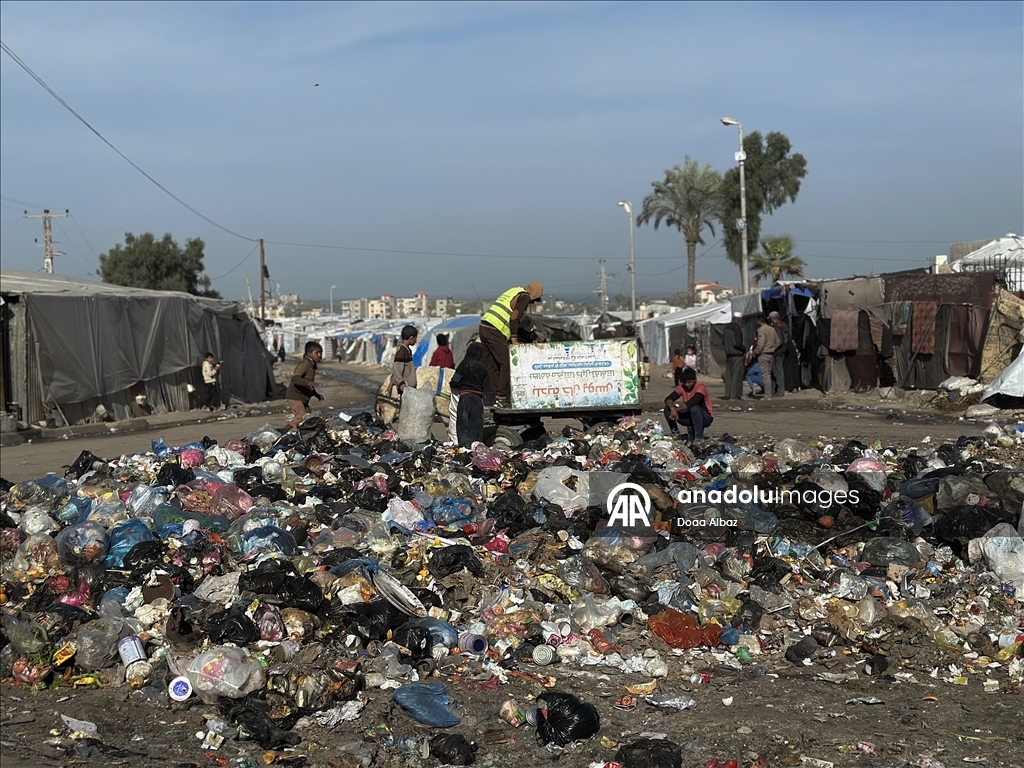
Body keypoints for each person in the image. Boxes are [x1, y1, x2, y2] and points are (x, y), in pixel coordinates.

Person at [479, 282, 543, 407]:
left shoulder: (514, 291)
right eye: (535, 300)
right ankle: (502, 398)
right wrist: (514, 338)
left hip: (484, 327)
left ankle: (497, 398)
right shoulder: (525, 297)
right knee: (506, 362)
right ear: (534, 294)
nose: (533, 303)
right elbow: (514, 317)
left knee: (493, 365)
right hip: (495, 330)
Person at [453, 341, 489, 447]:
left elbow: (455, 381)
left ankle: (464, 447)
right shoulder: (483, 367)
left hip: (464, 398)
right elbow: (487, 385)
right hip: (478, 399)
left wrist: (455, 385)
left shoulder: (463, 364)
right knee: (476, 425)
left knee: (463, 425)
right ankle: (476, 447)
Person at [663, 367, 715, 441]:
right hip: (690, 416)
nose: (687, 385)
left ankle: (699, 438)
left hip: (705, 417)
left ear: (695, 380)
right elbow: (668, 399)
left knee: (694, 408)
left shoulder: (700, 388)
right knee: (667, 409)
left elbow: (691, 403)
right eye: (685, 382)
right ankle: (676, 434)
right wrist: (672, 409)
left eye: (689, 382)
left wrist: (675, 410)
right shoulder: (682, 387)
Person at [285, 341, 324, 429]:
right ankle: (283, 431)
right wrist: (308, 383)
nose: (319, 355)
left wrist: (316, 394)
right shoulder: (304, 365)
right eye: (317, 352)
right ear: (309, 354)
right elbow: (295, 378)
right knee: (301, 417)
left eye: (320, 352)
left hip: (303, 397)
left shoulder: (312, 366)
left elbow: (308, 384)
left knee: (308, 418)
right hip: (295, 397)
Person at [754, 314, 781, 400]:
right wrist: (772, 348)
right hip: (771, 354)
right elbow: (778, 341)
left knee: (765, 375)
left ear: (759, 321)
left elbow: (761, 343)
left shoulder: (761, 330)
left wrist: (756, 352)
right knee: (768, 374)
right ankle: (769, 393)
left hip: (763, 354)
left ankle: (767, 395)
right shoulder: (772, 329)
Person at [722, 311, 746, 400]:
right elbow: (737, 343)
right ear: (738, 319)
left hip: (728, 354)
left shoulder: (726, 328)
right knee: (737, 375)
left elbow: (723, 341)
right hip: (737, 354)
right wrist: (744, 349)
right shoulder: (736, 328)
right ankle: (734, 395)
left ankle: (727, 394)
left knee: (729, 375)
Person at [392, 325, 419, 395]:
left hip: (410, 389)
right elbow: (397, 368)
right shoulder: (402, 351)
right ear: (411, 338)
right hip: (405, 389)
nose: (416, 340)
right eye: (415, 338)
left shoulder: (407, 350)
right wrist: (401, 384)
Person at [768, 311, 787, 397]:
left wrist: (772, 348)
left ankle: (780, 391)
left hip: (777, 352)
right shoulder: (783, 325)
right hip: (783, 350)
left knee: (778, 371)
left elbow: (778, 341)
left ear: (773, 318)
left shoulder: (776, 328)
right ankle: (775, 390)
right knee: (778, 371)